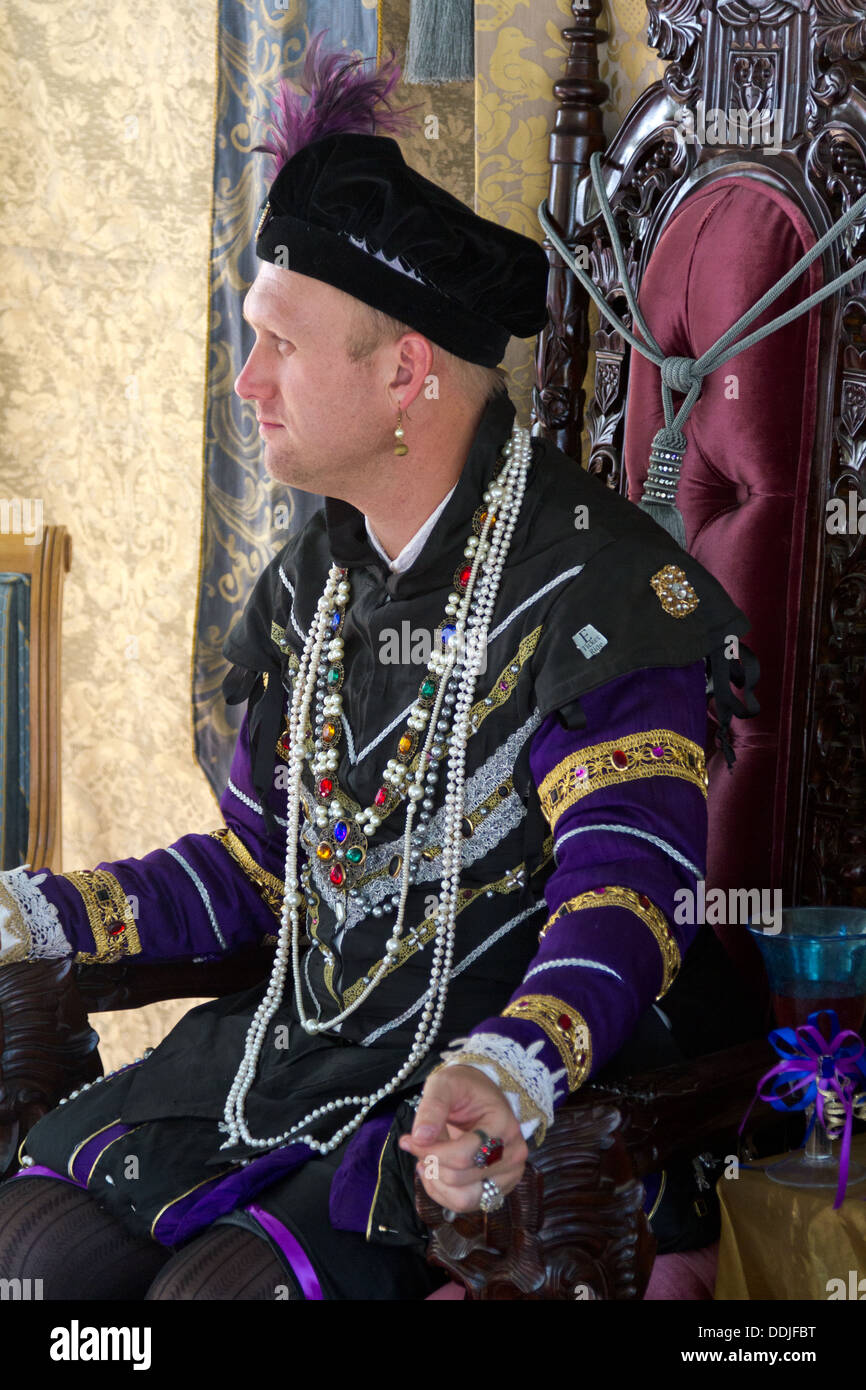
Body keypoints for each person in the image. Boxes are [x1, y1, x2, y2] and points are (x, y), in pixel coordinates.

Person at [0, 40, 759, 1300]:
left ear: (406, 372)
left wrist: (510, 1065)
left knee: (215, 1294)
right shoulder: (319, 577)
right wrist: (38, 911)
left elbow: (626, 895)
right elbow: (264, 869)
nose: (246, 383)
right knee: (28, 1254)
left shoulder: (602, 594)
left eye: (278, 346)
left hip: (482, 1090)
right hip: (300, 1052)